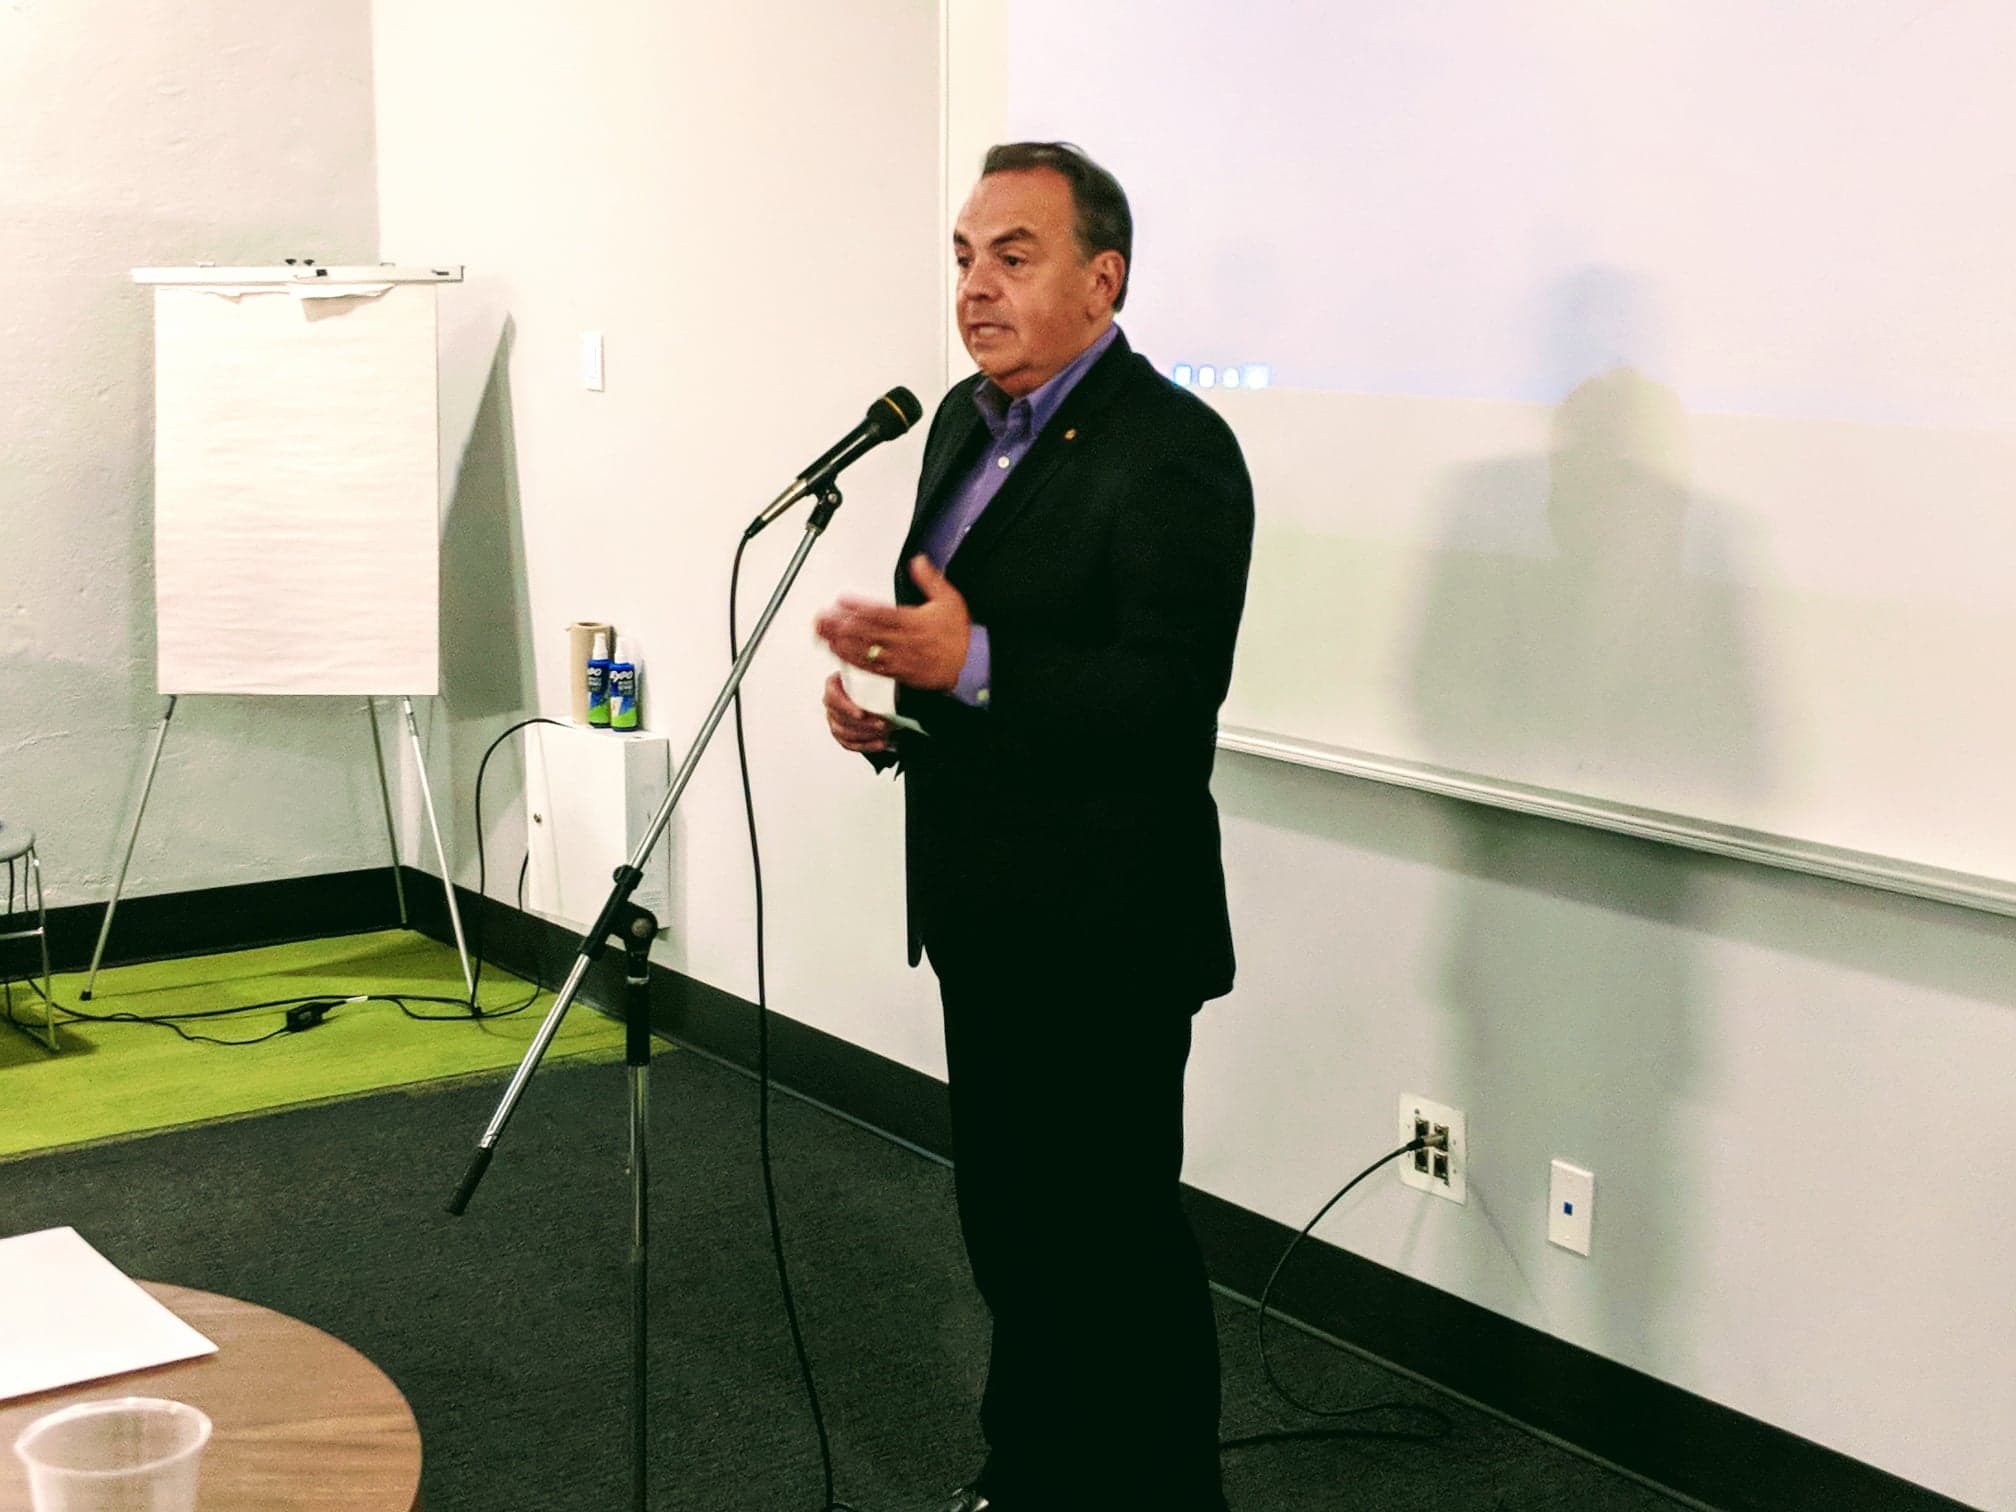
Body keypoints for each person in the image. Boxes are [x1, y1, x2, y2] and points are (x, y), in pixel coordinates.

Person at [814, 141, 1254, 1512]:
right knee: (1010, 1229)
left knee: (1114, 1245)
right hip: (984, 910)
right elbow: (964, 648)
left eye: (1014, 257)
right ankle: (1034, 1473)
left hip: (1107, 928)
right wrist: (908, 715)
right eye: (964, 257)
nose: (976, 286)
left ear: (1102, 279)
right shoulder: (958, 420)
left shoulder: (1174, 450)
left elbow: (1168, 700)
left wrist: (975, 666)